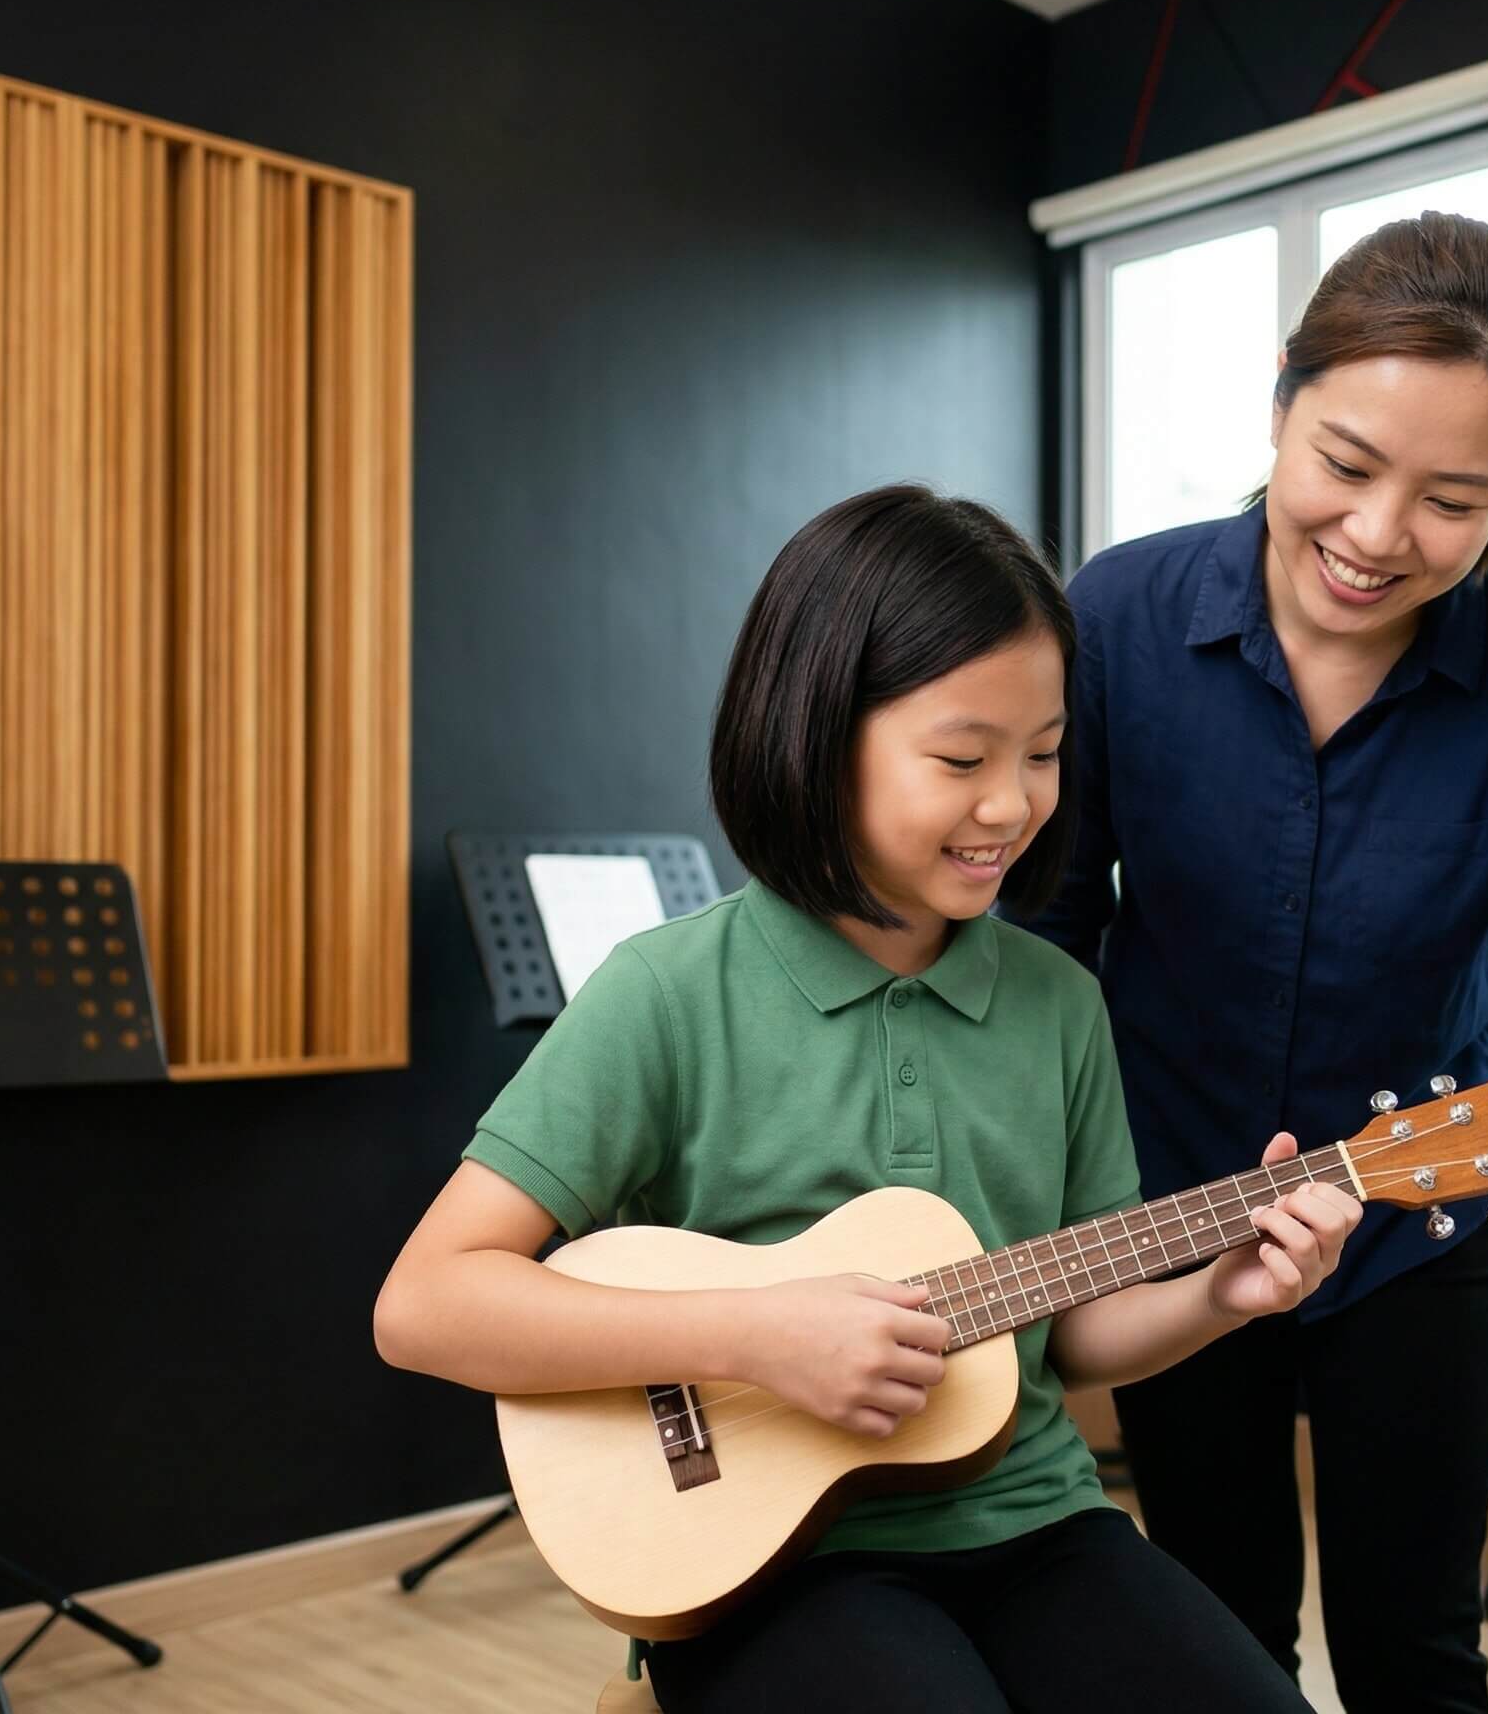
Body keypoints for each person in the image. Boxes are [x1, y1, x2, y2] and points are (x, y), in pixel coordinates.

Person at [373, 485, 1362, 1714]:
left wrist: (1222, 1295)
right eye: (960, 757)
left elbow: (1073, 1334)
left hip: (1035, 1525)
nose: (1009, 802)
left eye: (1044, 753)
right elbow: (424, 1305)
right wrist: (753, 1338)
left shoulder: (1057, 1002)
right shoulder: (667, 994)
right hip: (770, 1572)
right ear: (814, 731)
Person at [1014, 213, 1488, 1713]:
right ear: (1283, 401)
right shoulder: (1118, 616)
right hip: (1177, 1203)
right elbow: (1044, 929)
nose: (1377, 533)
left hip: (1426, 1201)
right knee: (1213, 1640)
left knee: (1417, 1648)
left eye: (1452, 499)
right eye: (1345, 464)